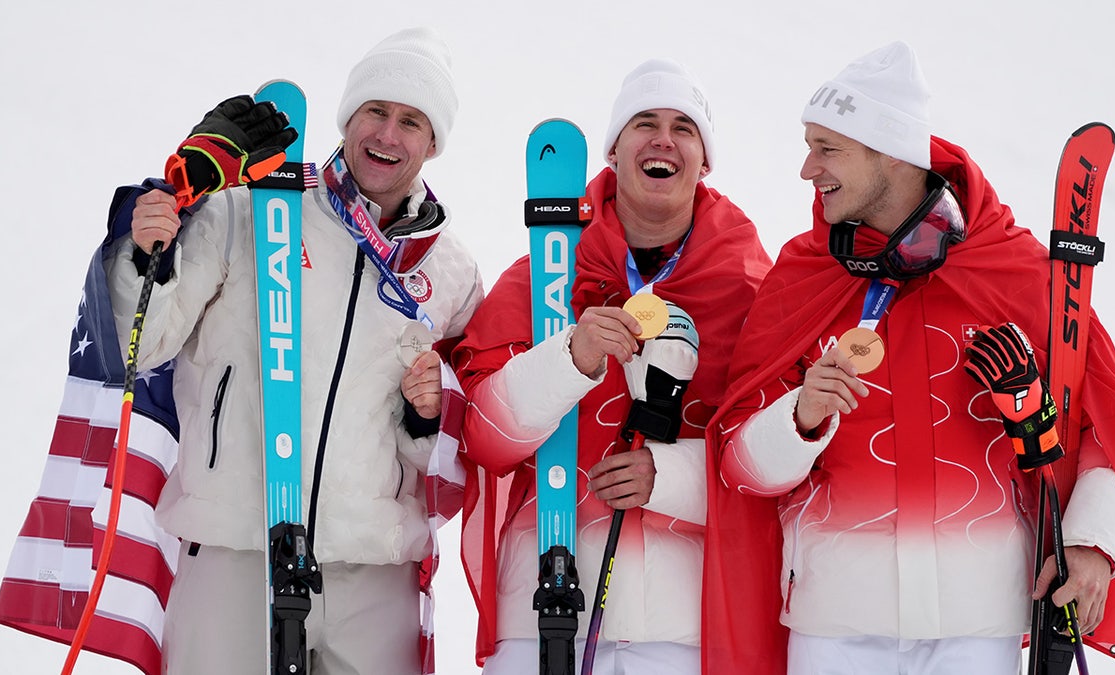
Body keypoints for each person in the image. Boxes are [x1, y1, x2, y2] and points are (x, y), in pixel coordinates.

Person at [706, 42, 1115, 674]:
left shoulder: (1015, 271)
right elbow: (737, 467)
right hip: (836, 623)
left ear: (889, 152)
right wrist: (797, 419)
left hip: (978, 624)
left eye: (826, 148)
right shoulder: (804, 276)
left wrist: (1090, 544)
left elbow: (1101, 424)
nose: (808, 169)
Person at [102, 27, 483, 674]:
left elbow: (449, 449)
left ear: (433, 142)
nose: (388, 134)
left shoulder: (449, 272)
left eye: (411, 121)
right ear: (348, 118)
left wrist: (427, 413)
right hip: (234, 541)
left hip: (370, 562)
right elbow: (141, 344)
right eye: (376, 112)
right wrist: (146, 251)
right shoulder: (250, 212)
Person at [451, 59, 772, 674]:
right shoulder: (544, 274)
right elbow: (485, 443)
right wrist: (571, 357)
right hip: (542, 616)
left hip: (684, 627)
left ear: (705, 161)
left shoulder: (751, 289)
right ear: (613, 152)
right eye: (644, 123)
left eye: (684, 127)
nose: (662, 139)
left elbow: (773, 467)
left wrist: (669, 477)